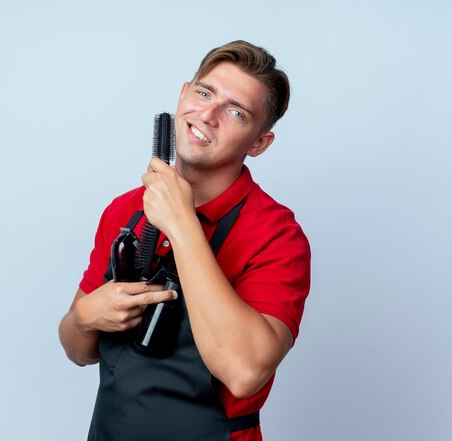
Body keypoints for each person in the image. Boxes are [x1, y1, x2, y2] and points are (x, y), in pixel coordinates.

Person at [59, 40, 311, 441]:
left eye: (235, 112)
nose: (207, 115)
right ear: (182, 95)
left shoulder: (277, 235)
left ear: (259, 143)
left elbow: (244, 372)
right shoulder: (124, 210)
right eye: (204, 92)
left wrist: (181, 223)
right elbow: (78, 349)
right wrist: (84, 317)